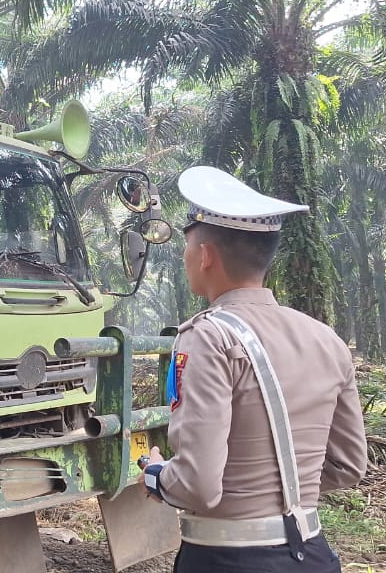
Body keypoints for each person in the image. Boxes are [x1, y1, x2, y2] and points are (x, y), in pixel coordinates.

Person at [141, 166, 367, 573]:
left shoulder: (208, 337)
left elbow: (197, 485)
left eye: (187, 246)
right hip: (313, 555)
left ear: (206, 256)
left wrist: (156, 474)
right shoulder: (326, 340)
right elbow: (349, 464)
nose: (185, 256)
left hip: (227, 559)